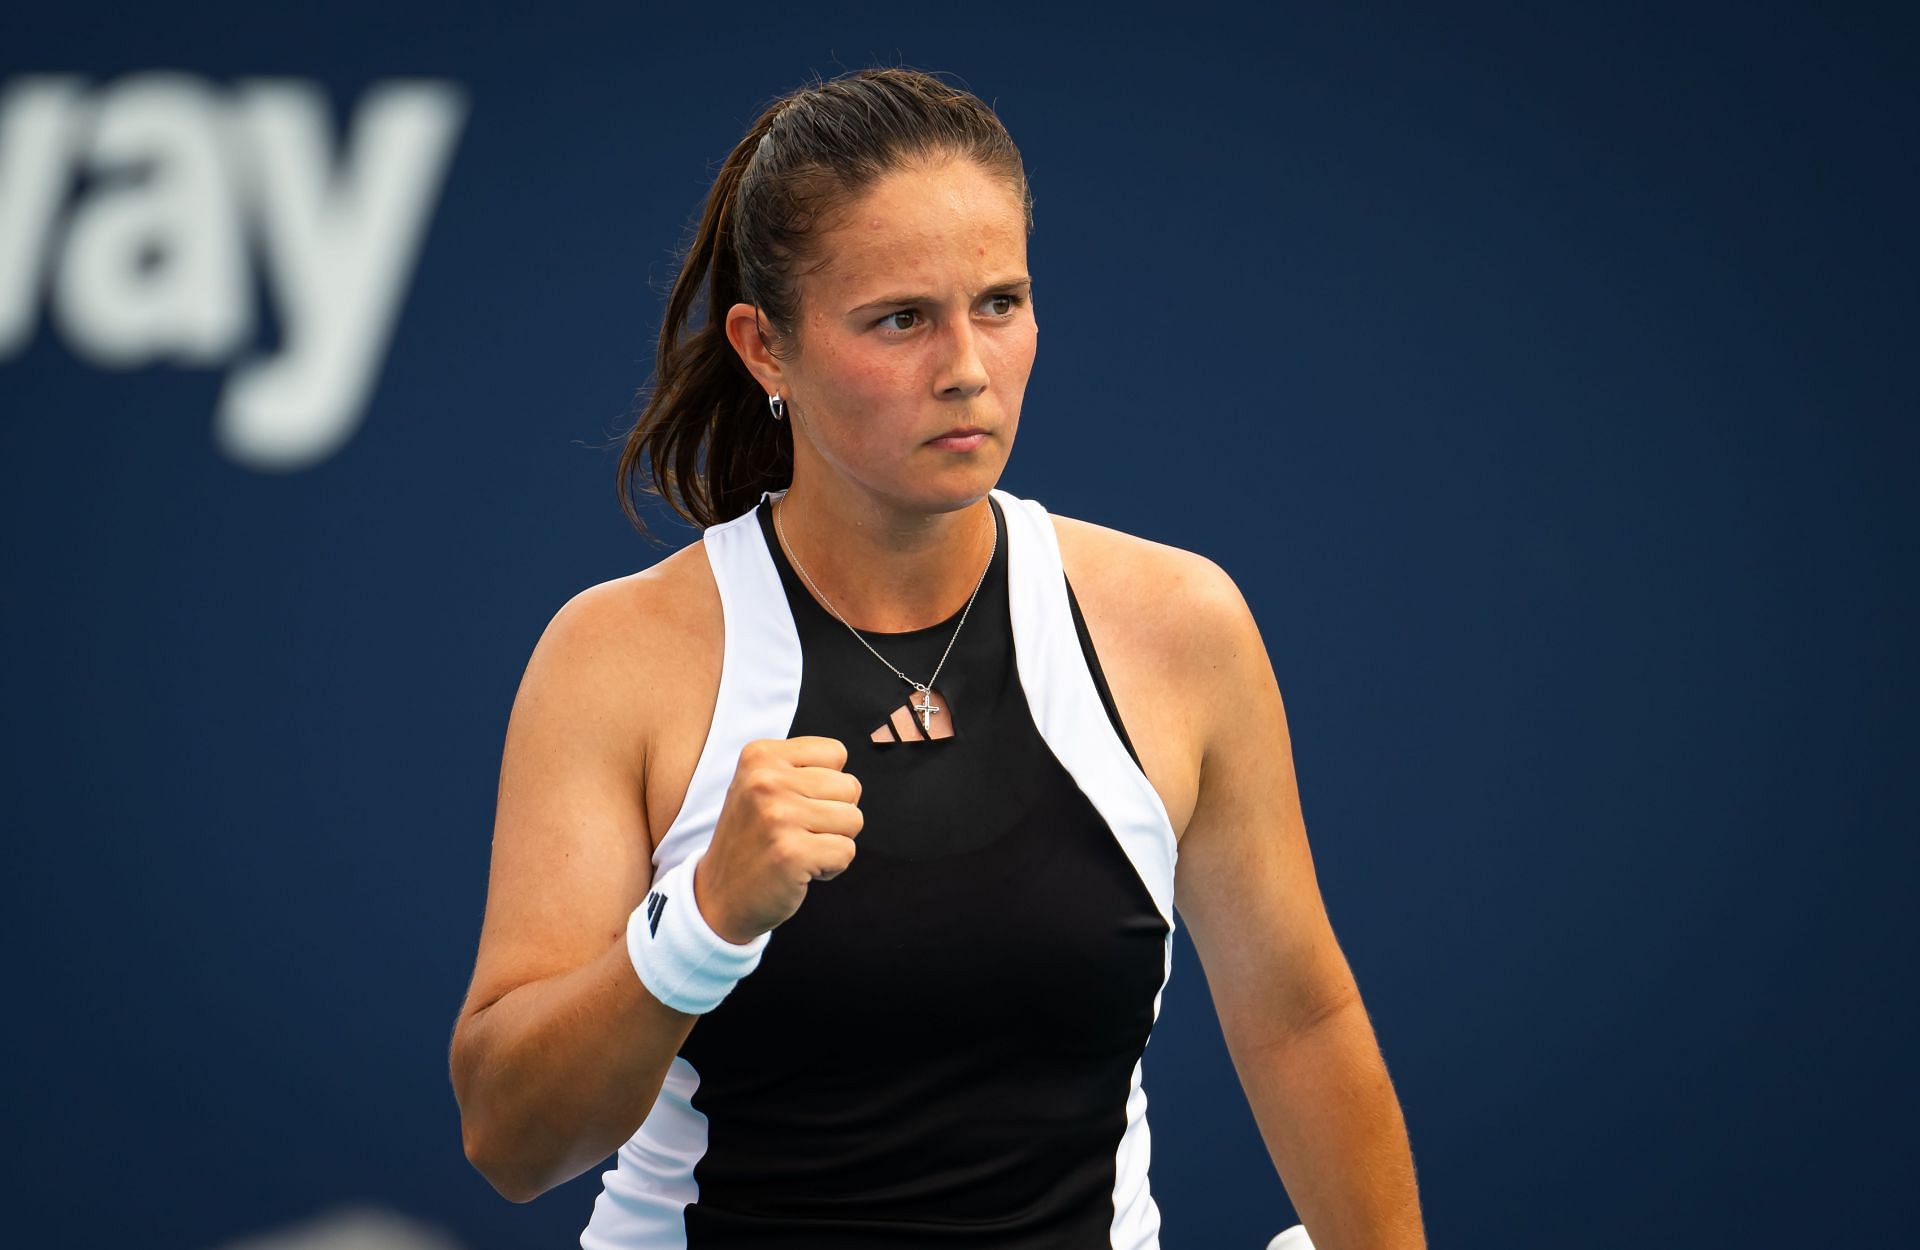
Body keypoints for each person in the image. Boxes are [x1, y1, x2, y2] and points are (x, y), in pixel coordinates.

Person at [448, 67, 1426, 1250]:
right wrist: (697, 924)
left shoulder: (1181, 623)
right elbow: (512, 1139)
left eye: (1000, 302)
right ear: (767, 348)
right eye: (900, 318)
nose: (966, 364)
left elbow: (1300, 1020)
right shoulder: (615, 658)